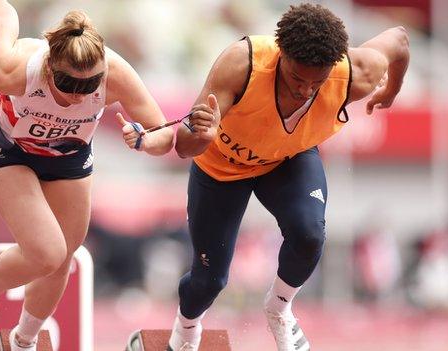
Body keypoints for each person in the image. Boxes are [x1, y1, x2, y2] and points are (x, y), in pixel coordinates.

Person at [166, 3, 409, 351]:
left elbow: (399, 40)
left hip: (286, 159)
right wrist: (201, 136)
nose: (306, 90)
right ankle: (186, 329)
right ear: (281, 57)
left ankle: (279, 309)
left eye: (317, 81)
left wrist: (391, 91)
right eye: (297, 78)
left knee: (310, 234)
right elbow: (183, 146)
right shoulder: (241, 64)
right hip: (222, 167)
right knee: (210, 280)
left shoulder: (356, 72)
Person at [0, 1, 174, 350]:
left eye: (89, 87)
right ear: (50, 66)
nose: (77, 95)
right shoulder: (17, 67)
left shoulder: (116, 74)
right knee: (47, 252)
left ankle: (24, 341)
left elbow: (164, 135)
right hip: (8, 149)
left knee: (63, 259)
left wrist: (145, 139)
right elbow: (0, 8)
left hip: (68, 157)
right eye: (67, 82)